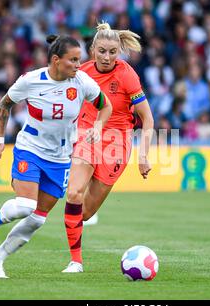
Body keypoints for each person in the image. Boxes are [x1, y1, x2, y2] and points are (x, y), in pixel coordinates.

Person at [0, 35, 112, 278]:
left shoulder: (81, 82)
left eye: (80, 60)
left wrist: (98, 127)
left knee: (37, 220)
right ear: (56, 60)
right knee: (25, 205)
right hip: (30, 149)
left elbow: (105, 105)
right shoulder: (31, 80)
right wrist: (0, 141)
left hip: (60, 158)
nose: (79, 66)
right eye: (73, 60)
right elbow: (5, 105)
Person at [61, 22, 154, 273]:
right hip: (88, 134)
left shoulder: (127, 75)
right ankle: (76, 262)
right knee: (74, 194)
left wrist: (143, 156)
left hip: (117, 143)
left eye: (113, 52)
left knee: (86, 213)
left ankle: (72, 203)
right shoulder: (82, 72)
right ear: (93, 50)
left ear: (119, 52)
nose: (107, 57)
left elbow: (148, 118)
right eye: (102, 51)